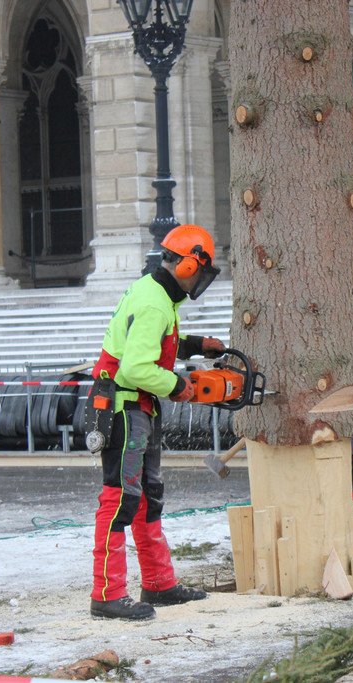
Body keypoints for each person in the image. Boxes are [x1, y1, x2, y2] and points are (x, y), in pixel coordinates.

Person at [89, 224, 226, 620]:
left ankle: (159, 582)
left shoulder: (157, 295)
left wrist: (195, 345)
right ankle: (106, 594)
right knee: (120, 497)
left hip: (138, 406)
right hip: (124, 404)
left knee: (148, 494)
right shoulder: (154, 303)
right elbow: (135, 367)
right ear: (187, 265)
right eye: (200, 271)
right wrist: (177, 385)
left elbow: (153, 343)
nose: (199, 280)